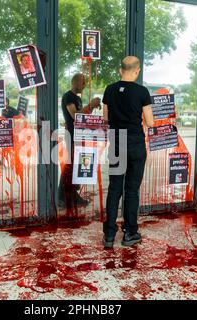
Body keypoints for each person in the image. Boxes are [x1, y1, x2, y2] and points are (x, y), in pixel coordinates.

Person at [102, 56, 155, 249]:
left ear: (120, 70)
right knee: (131, 189)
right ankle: (130, 232)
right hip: (134, 143)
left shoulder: (109, 89)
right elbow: (149, 122)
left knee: (115, 187)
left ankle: (108, 234)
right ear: (137, 70)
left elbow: (106, 117)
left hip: (117, 141)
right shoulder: (142, 91)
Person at [58, 73, 101, 209]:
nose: (84, 86)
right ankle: (63, 196)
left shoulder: (76, 98)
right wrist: (91, 104)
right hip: (72, 135)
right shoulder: (68, 96)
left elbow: (81, 116)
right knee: (70, 165)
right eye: (83, 83)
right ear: (75, 82)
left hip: (78, 135)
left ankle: (70, 194)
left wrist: (92, 107)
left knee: (75, 164)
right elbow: (75, 115)